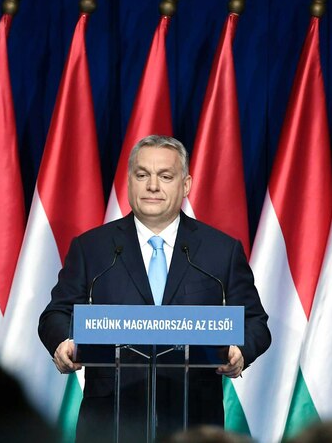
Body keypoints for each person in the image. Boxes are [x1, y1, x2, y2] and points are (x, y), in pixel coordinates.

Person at [39, 135, 271, 442]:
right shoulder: (92, 248)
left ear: (185, 184)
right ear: (130, 181)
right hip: (110, 421)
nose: (152, 186)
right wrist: (63, 342)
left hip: (194, 420)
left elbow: (255, 322)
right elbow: (55, 314)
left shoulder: (220, 251)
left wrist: (240, 351)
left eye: (165, 176)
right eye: (142, 175)